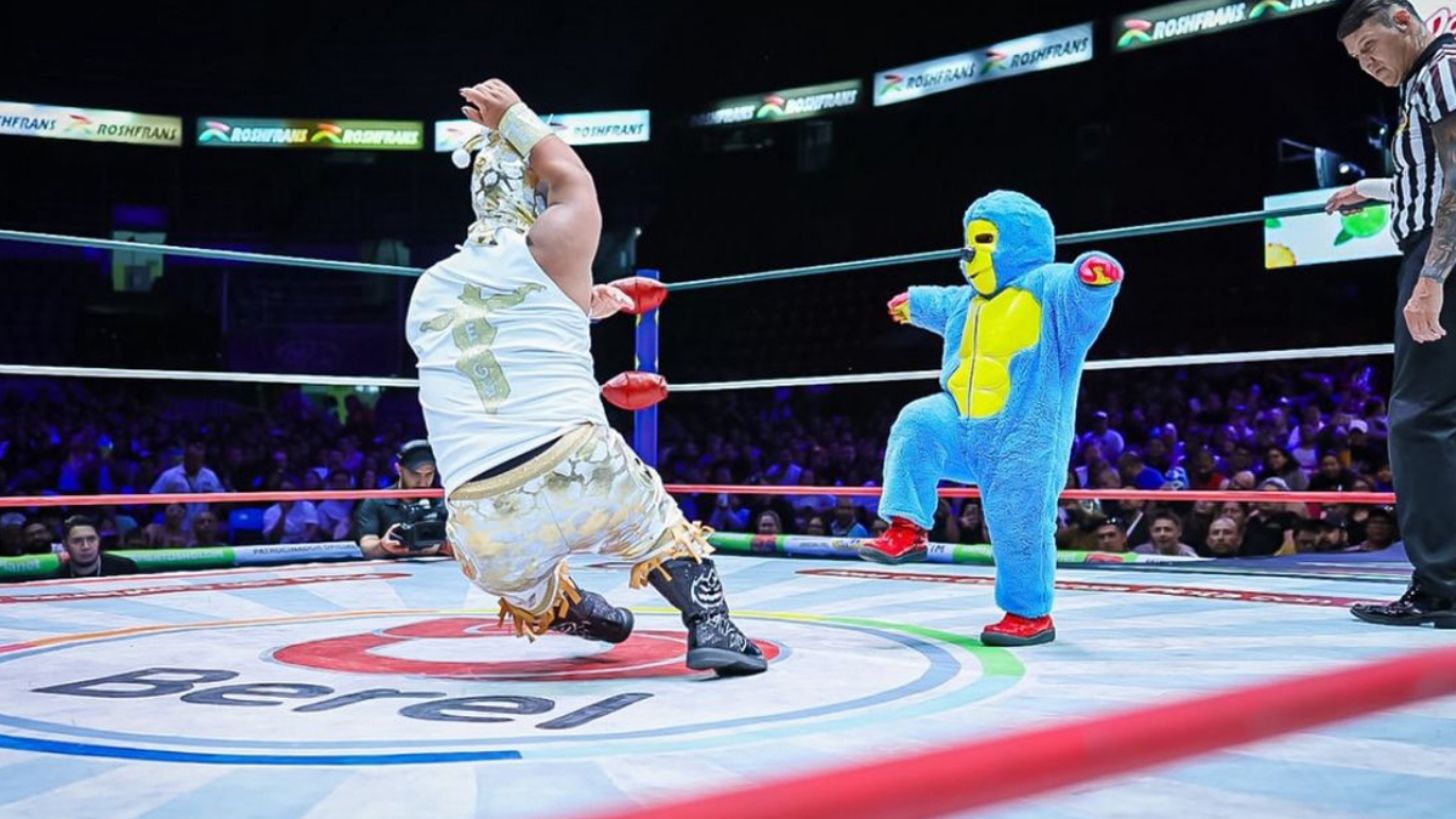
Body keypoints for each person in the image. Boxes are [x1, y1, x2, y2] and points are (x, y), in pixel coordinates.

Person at [405, 79, 764, 675]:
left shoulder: (428, 287)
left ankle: (586, 617)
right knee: (657, 525)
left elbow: (485, 335)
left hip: (479, 511)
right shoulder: (552, 243)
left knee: (517, 579)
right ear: (533, 193)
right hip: (578, 466)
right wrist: (515, 115)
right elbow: (573, 179)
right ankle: (712, 626)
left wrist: (579, 304)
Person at [857, 190, 1123, 646]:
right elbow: (938, 301)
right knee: (918, 421)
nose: (970, 252)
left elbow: (1080, 296)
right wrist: (912, 303)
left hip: (1023, 438)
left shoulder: (1047, 287)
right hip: (961, 427)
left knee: (1019, 525)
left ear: (1020, 242)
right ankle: (907, 526)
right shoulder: (967, 301)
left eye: (984, 240)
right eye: (969, 241)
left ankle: (1029, 614)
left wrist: (1094, 276)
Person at [1332, 0, 1456, 627]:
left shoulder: (1440, 70)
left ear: (1403, 22)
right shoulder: (1424, 81)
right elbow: (1431, 171)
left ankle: (1443, 586)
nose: (1367, 64)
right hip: (1434, 245)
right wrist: (1372, 188)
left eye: (1370, 47)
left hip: (1441, 253)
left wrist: (1432, 277)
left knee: (1420, 419)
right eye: (1356, 59)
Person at [353, 440, 449, 559]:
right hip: (390, 566)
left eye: (429, 474)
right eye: (415, 474)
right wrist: (383, 546)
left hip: (437, 567)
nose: (422, 482)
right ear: (399, 469)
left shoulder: (443, 501)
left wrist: (446, 546)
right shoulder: (376, 501)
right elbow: (367, 547)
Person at [60, 515, 137, 578]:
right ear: (65, 545)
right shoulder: (57, 578)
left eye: (91, 539)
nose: (86, 546)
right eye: (77, 541)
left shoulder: (125, 569)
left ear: (99, 540)